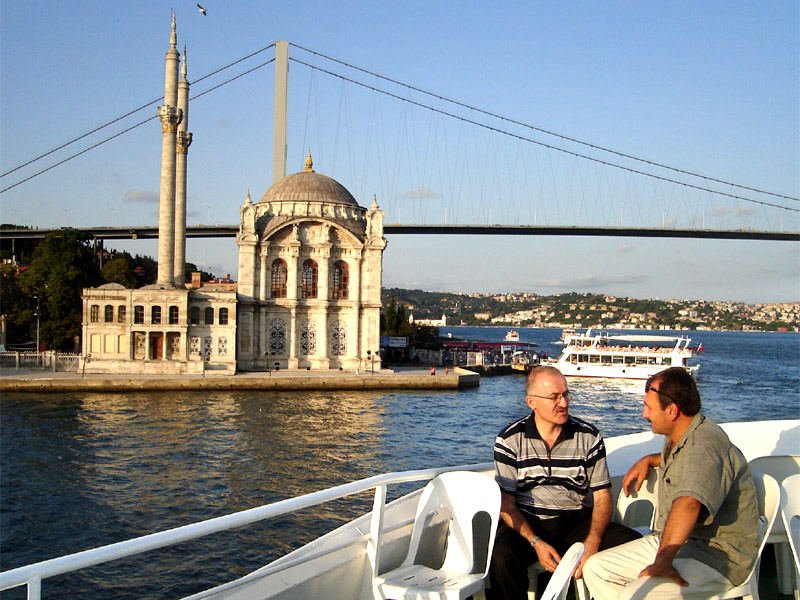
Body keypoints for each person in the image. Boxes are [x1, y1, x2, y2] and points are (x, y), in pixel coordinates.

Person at [582, 367, 759, 599]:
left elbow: (688, 503)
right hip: (679, 542)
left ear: (672, 410)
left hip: (715, 555)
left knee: (637, 594)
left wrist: (662, 563)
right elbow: (685, 463)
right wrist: (651, 459)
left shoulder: (704, 446)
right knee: (597, 569)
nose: (645, 414)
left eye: (649, 408)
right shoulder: (680, 437)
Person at [487, 366, 640, 600]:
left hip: (574, 520)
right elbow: (506, 504)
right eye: (554, 397)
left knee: (635, 547)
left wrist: (593, 541)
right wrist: (536, 542)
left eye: (566, 395)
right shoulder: (509, 440)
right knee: (501, 555)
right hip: (528, 521)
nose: (564, 403)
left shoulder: (588, 437)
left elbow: (601, 496)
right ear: (532, 402)